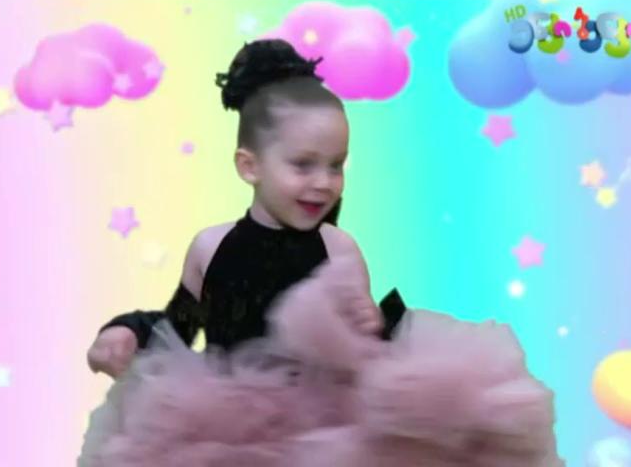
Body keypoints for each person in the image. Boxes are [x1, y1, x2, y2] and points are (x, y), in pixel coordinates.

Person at [78, 39, 562, 467]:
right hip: (227, 435)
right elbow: (179, 329)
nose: (323, 182)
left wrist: (372, 329)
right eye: (303, 165)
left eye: (336, 166)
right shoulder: (211, 246)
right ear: (249, 166)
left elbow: (365, 347)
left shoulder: (337, 247)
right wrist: (126, 331)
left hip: (325, 434)